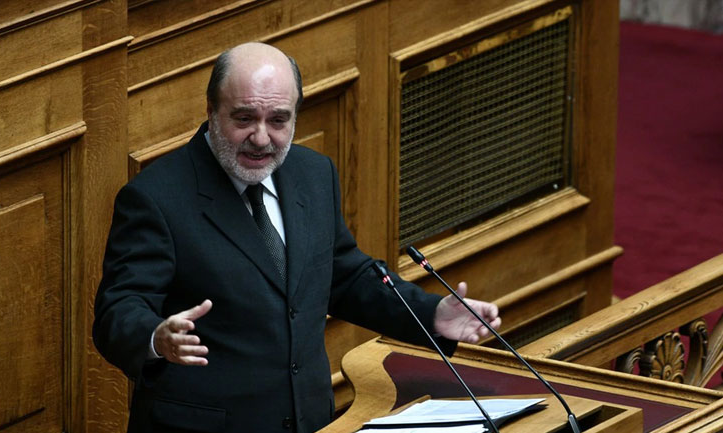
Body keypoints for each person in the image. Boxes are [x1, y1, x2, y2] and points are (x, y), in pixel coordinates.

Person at [93, 42, 501, 433]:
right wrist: (155, 336)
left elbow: (345, 277)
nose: (261, 138)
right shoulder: (156, 198)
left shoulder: (313, 174)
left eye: (278, 120)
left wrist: (431, 315)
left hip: (308, 420)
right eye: (244, 119)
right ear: (211, 111)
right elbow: (117, 311)